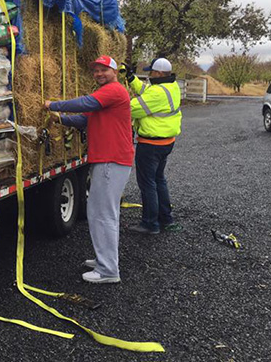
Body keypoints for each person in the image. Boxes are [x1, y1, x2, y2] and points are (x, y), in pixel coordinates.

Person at [44, 55, 134, 284]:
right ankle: (105, 259)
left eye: (103, 69)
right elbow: (84, 119)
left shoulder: (114, 90)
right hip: (108, 160)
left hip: (111, 160)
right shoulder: (105, 96)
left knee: (103, 214)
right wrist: (60, 119)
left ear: (114, 71)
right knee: (101, 212)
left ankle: (108, 271)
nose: (99, 74)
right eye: (95, 71)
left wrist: (52, 105)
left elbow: (85, 103)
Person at [120, 57, 183, 234]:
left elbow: (131, 108)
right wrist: (131, 78)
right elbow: (146, 90)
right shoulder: (171, 86)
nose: (149, 75)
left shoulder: (157, 93)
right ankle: (166, 218)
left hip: (151, 144)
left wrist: (114, 97)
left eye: (150, 72)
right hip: (166, 142)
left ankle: (150, 223)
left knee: (147, 184)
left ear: (158, 73)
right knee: (158, 180)